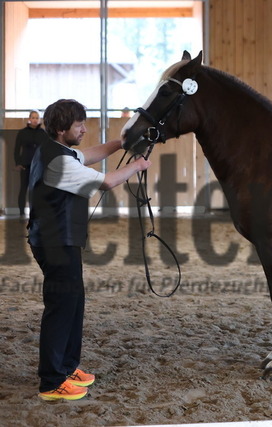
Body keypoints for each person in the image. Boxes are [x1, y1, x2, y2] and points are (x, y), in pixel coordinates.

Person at [28, 99, 151, 401]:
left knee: (73, 303)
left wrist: (120, 143)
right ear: (60, 129)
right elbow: (107, 182)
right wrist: (137, 164)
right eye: (79, 125)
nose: (85, 129)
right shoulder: (59, 162)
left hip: (61, 240)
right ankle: (51, 382)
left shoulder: (56, 150)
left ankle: (67, 368)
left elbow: (89, 155)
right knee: (61, 308)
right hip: (56, 242)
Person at [14, 110, 49, 218]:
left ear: (39, 119)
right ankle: (21, 213)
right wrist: (18, 163)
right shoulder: (22, 132)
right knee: (23, 189)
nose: (34, 120)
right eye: (33, 117)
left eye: (36, 117)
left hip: (38, 166)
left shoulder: (43, 133)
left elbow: (46, 150)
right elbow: (16, 149)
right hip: (25, 165)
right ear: (29, 119)